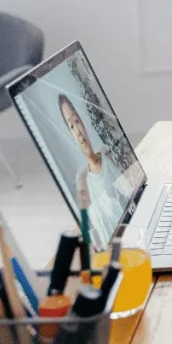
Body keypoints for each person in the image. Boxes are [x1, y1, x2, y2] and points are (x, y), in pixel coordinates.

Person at [58, 94, 127, 246]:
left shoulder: (107, 154)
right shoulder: (82, 179)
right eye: (71, 126)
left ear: (83, 121)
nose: (77, 131)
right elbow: (93, 233)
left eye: (77, 121)